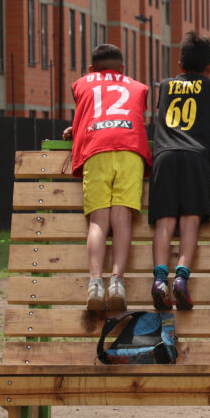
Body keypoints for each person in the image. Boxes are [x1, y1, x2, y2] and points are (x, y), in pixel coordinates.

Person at [63, 44, 152, 310]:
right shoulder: (138, 86)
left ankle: (95, 283)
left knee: (98, 221)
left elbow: (91, 112)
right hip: (130, 149)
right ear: (122, 69)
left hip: (96, 150)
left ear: (91, 69)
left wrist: (73, 129)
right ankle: (117, 280)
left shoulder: (81, 83)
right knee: (122, 218)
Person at [148, 33, 210, 310]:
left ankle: (158, 278)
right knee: (190, 223)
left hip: (164, 156)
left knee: (165, 223)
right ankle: (181, 278)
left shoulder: (165, 86)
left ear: (180, 65)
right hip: (196, 157)